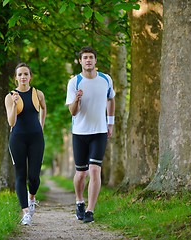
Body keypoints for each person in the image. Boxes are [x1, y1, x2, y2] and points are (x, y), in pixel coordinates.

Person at [65, 46, 116, 223]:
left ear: (95, 61)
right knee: (81, 174)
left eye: (91, 57)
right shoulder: (74, 82)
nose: (88, 60)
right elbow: (73, 112)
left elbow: (111, 99)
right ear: (80, 61)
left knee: (94, 170)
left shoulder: (105, 79)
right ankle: (79, 200)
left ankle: (90, 210)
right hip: (79, 132)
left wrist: (110, 123)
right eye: (85, 58)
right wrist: (77, 99)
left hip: (100, 131)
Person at [5, 63, 47, 225]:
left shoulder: (38, 94)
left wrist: (41, 126)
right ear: (16, 78)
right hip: (17, 139)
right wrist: (15, 104)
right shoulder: (10, 96)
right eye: (20, 74)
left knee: (34, 177)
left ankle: (32, 198)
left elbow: (43, 109)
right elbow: (11, 121)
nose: (23, 77)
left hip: (36, 138)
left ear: (30, 76)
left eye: (26, 74)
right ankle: (25, 213)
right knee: (21, 175)